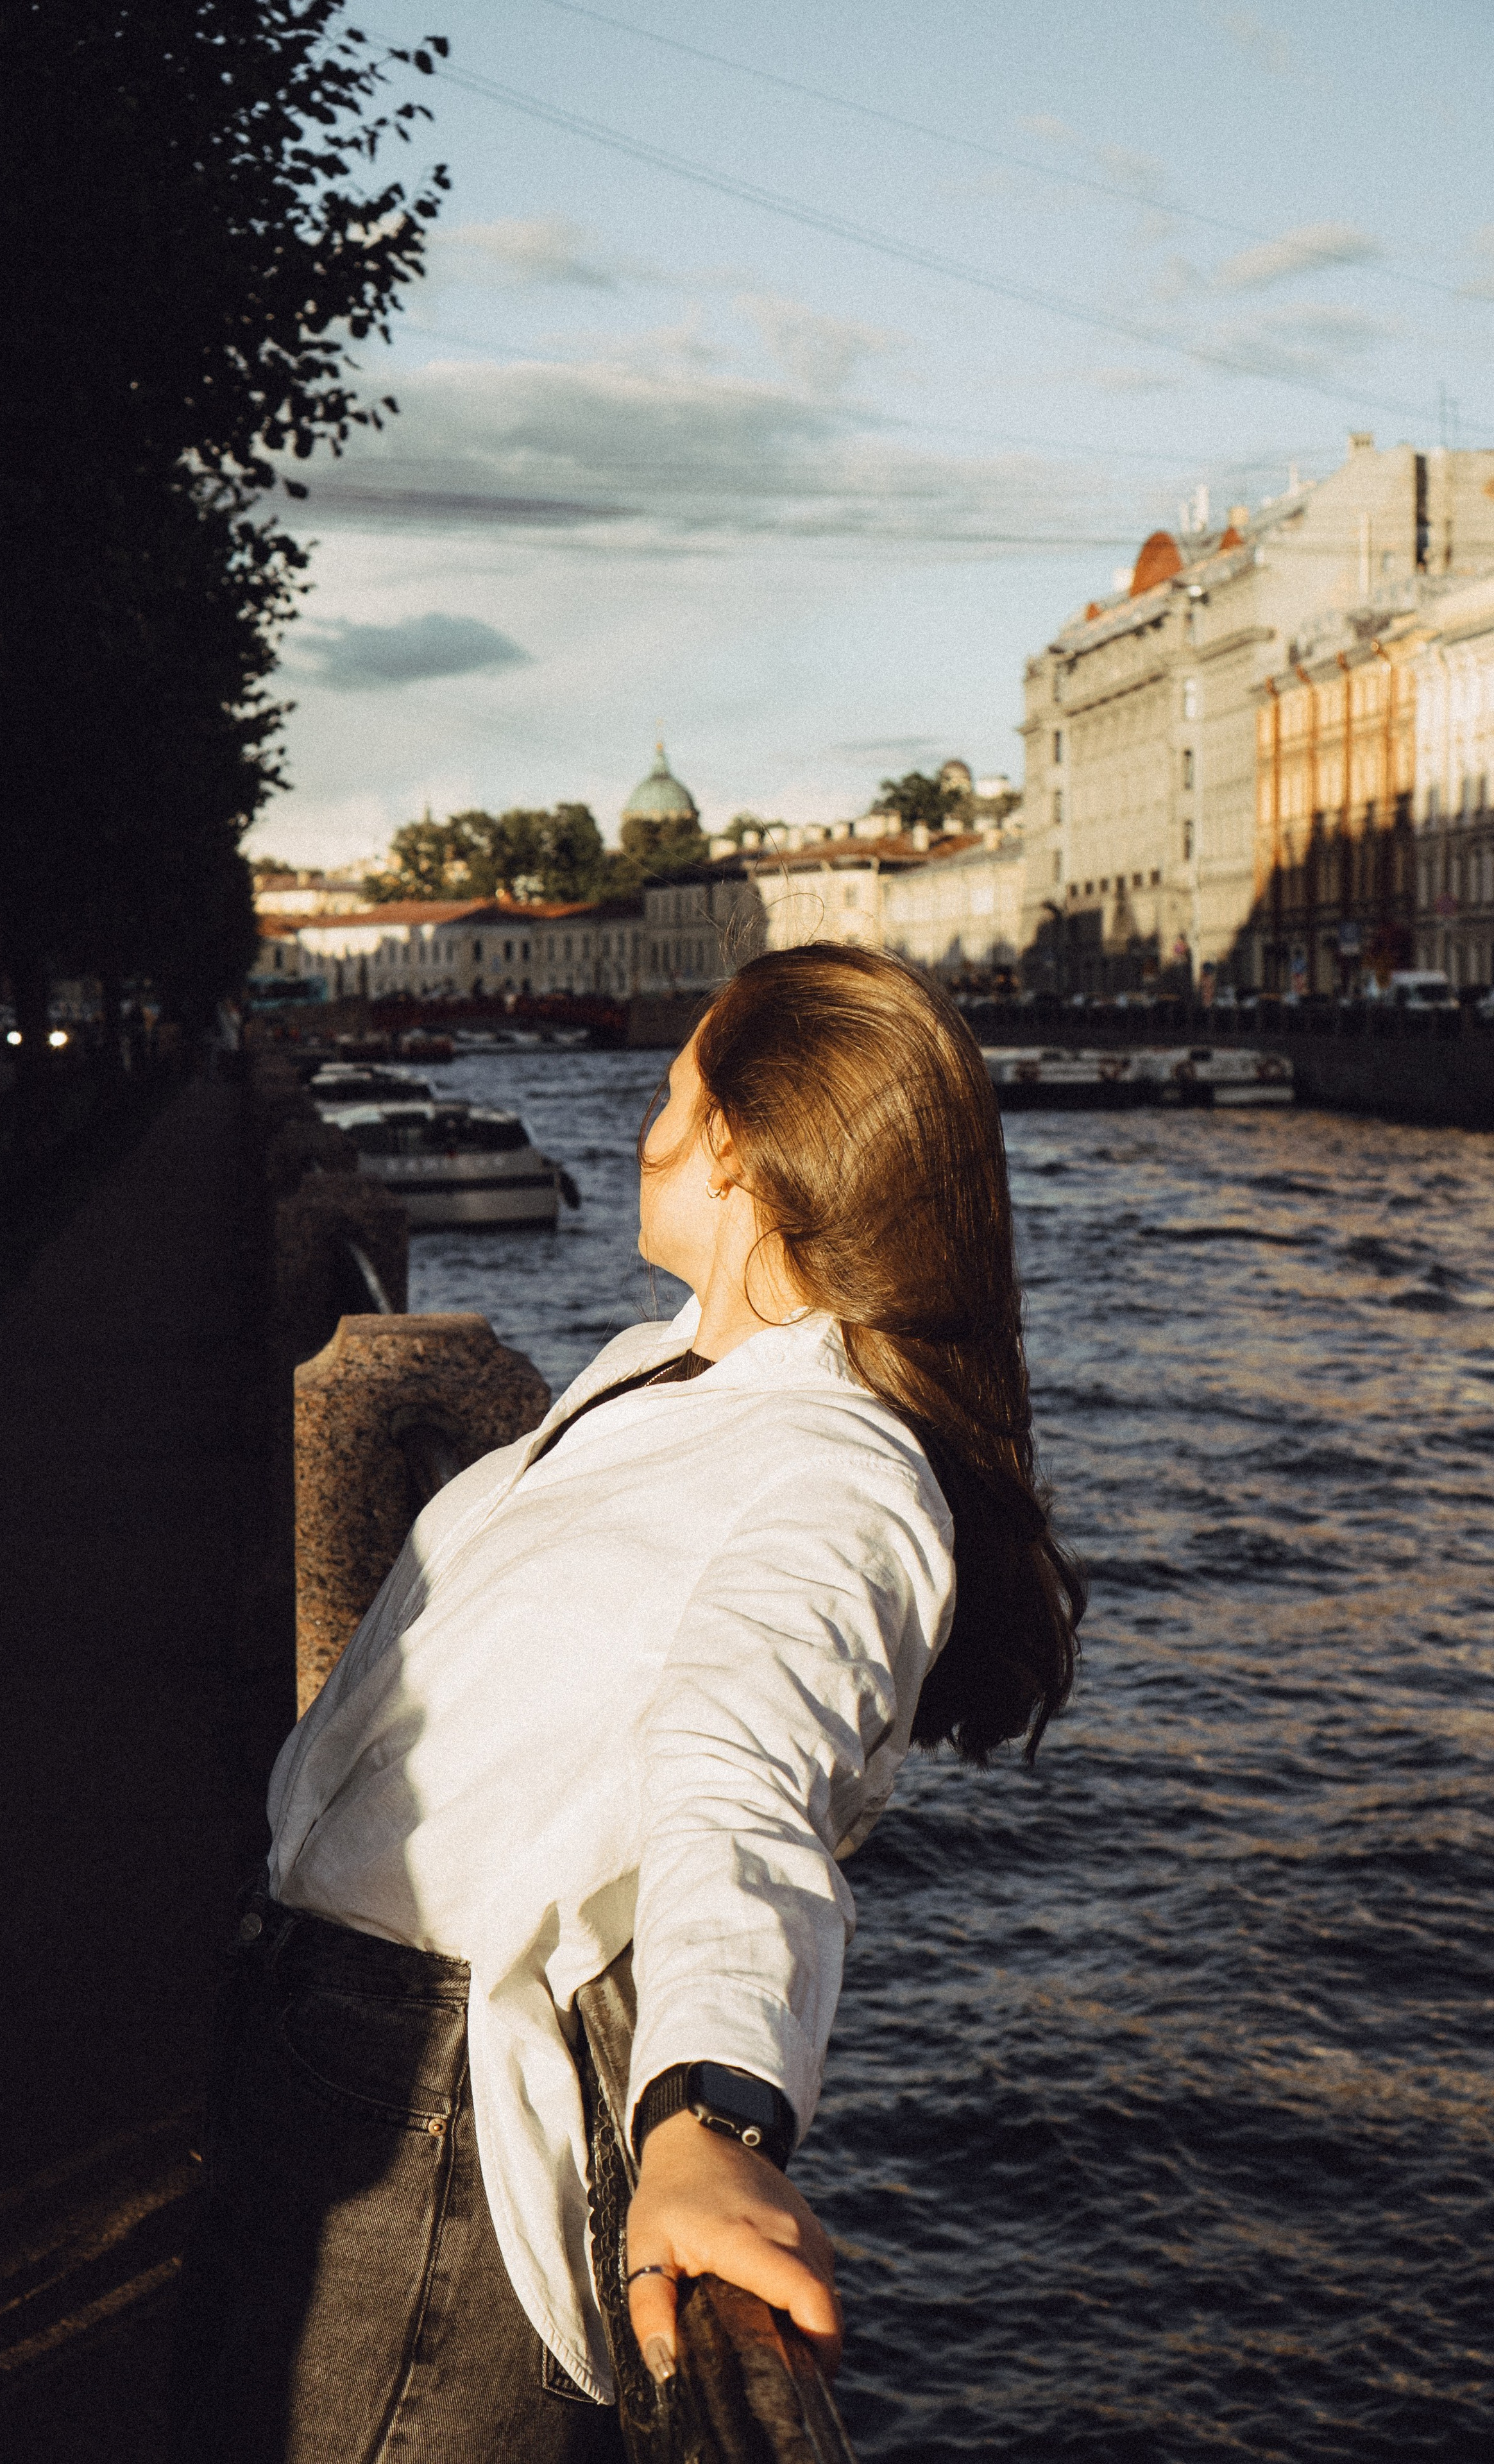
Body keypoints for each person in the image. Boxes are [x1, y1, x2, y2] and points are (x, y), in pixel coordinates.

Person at [169, 944, 1083, 2462]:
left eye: (669, 1095)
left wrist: (712, 2117)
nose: (640, 1132)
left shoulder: (842, 1475)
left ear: (739, 1145)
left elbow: (740, 1775)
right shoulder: (662, 1367)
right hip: (319, 2043)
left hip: (428, 2123)